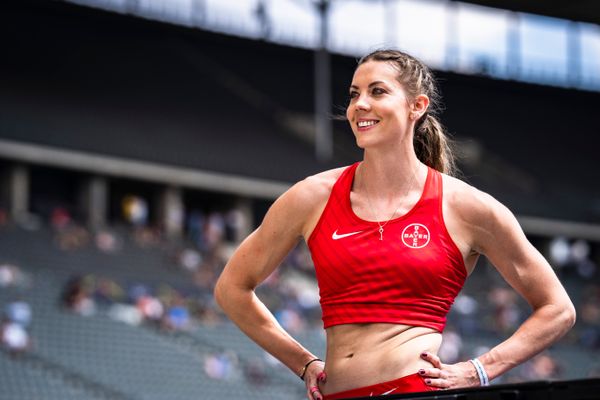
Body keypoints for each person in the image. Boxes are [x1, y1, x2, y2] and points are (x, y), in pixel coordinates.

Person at [214, 49, 576, 400]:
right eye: (355, 94)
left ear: (417, 106)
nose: (359, 105)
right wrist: (303, 363)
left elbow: (557, 309)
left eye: (378, 91)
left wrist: (478, 369)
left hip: (415, 393)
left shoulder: (468, 207)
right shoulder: (312, 196)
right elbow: (232, 288)